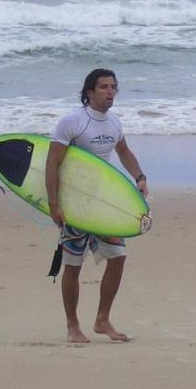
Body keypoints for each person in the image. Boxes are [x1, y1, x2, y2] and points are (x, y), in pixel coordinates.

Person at [46, 68, 148, 344]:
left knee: (118, 256)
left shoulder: (114, 123)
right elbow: (52, 163)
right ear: (89, 92)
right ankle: (72, 326)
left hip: (102, 204)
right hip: (75, 204)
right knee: (73, 264)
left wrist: (139, 177)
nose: (110, 91)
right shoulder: (72, 122)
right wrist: (54, 204)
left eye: (113, 87)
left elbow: (124, 153)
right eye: (103, 87)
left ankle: (102, 320)